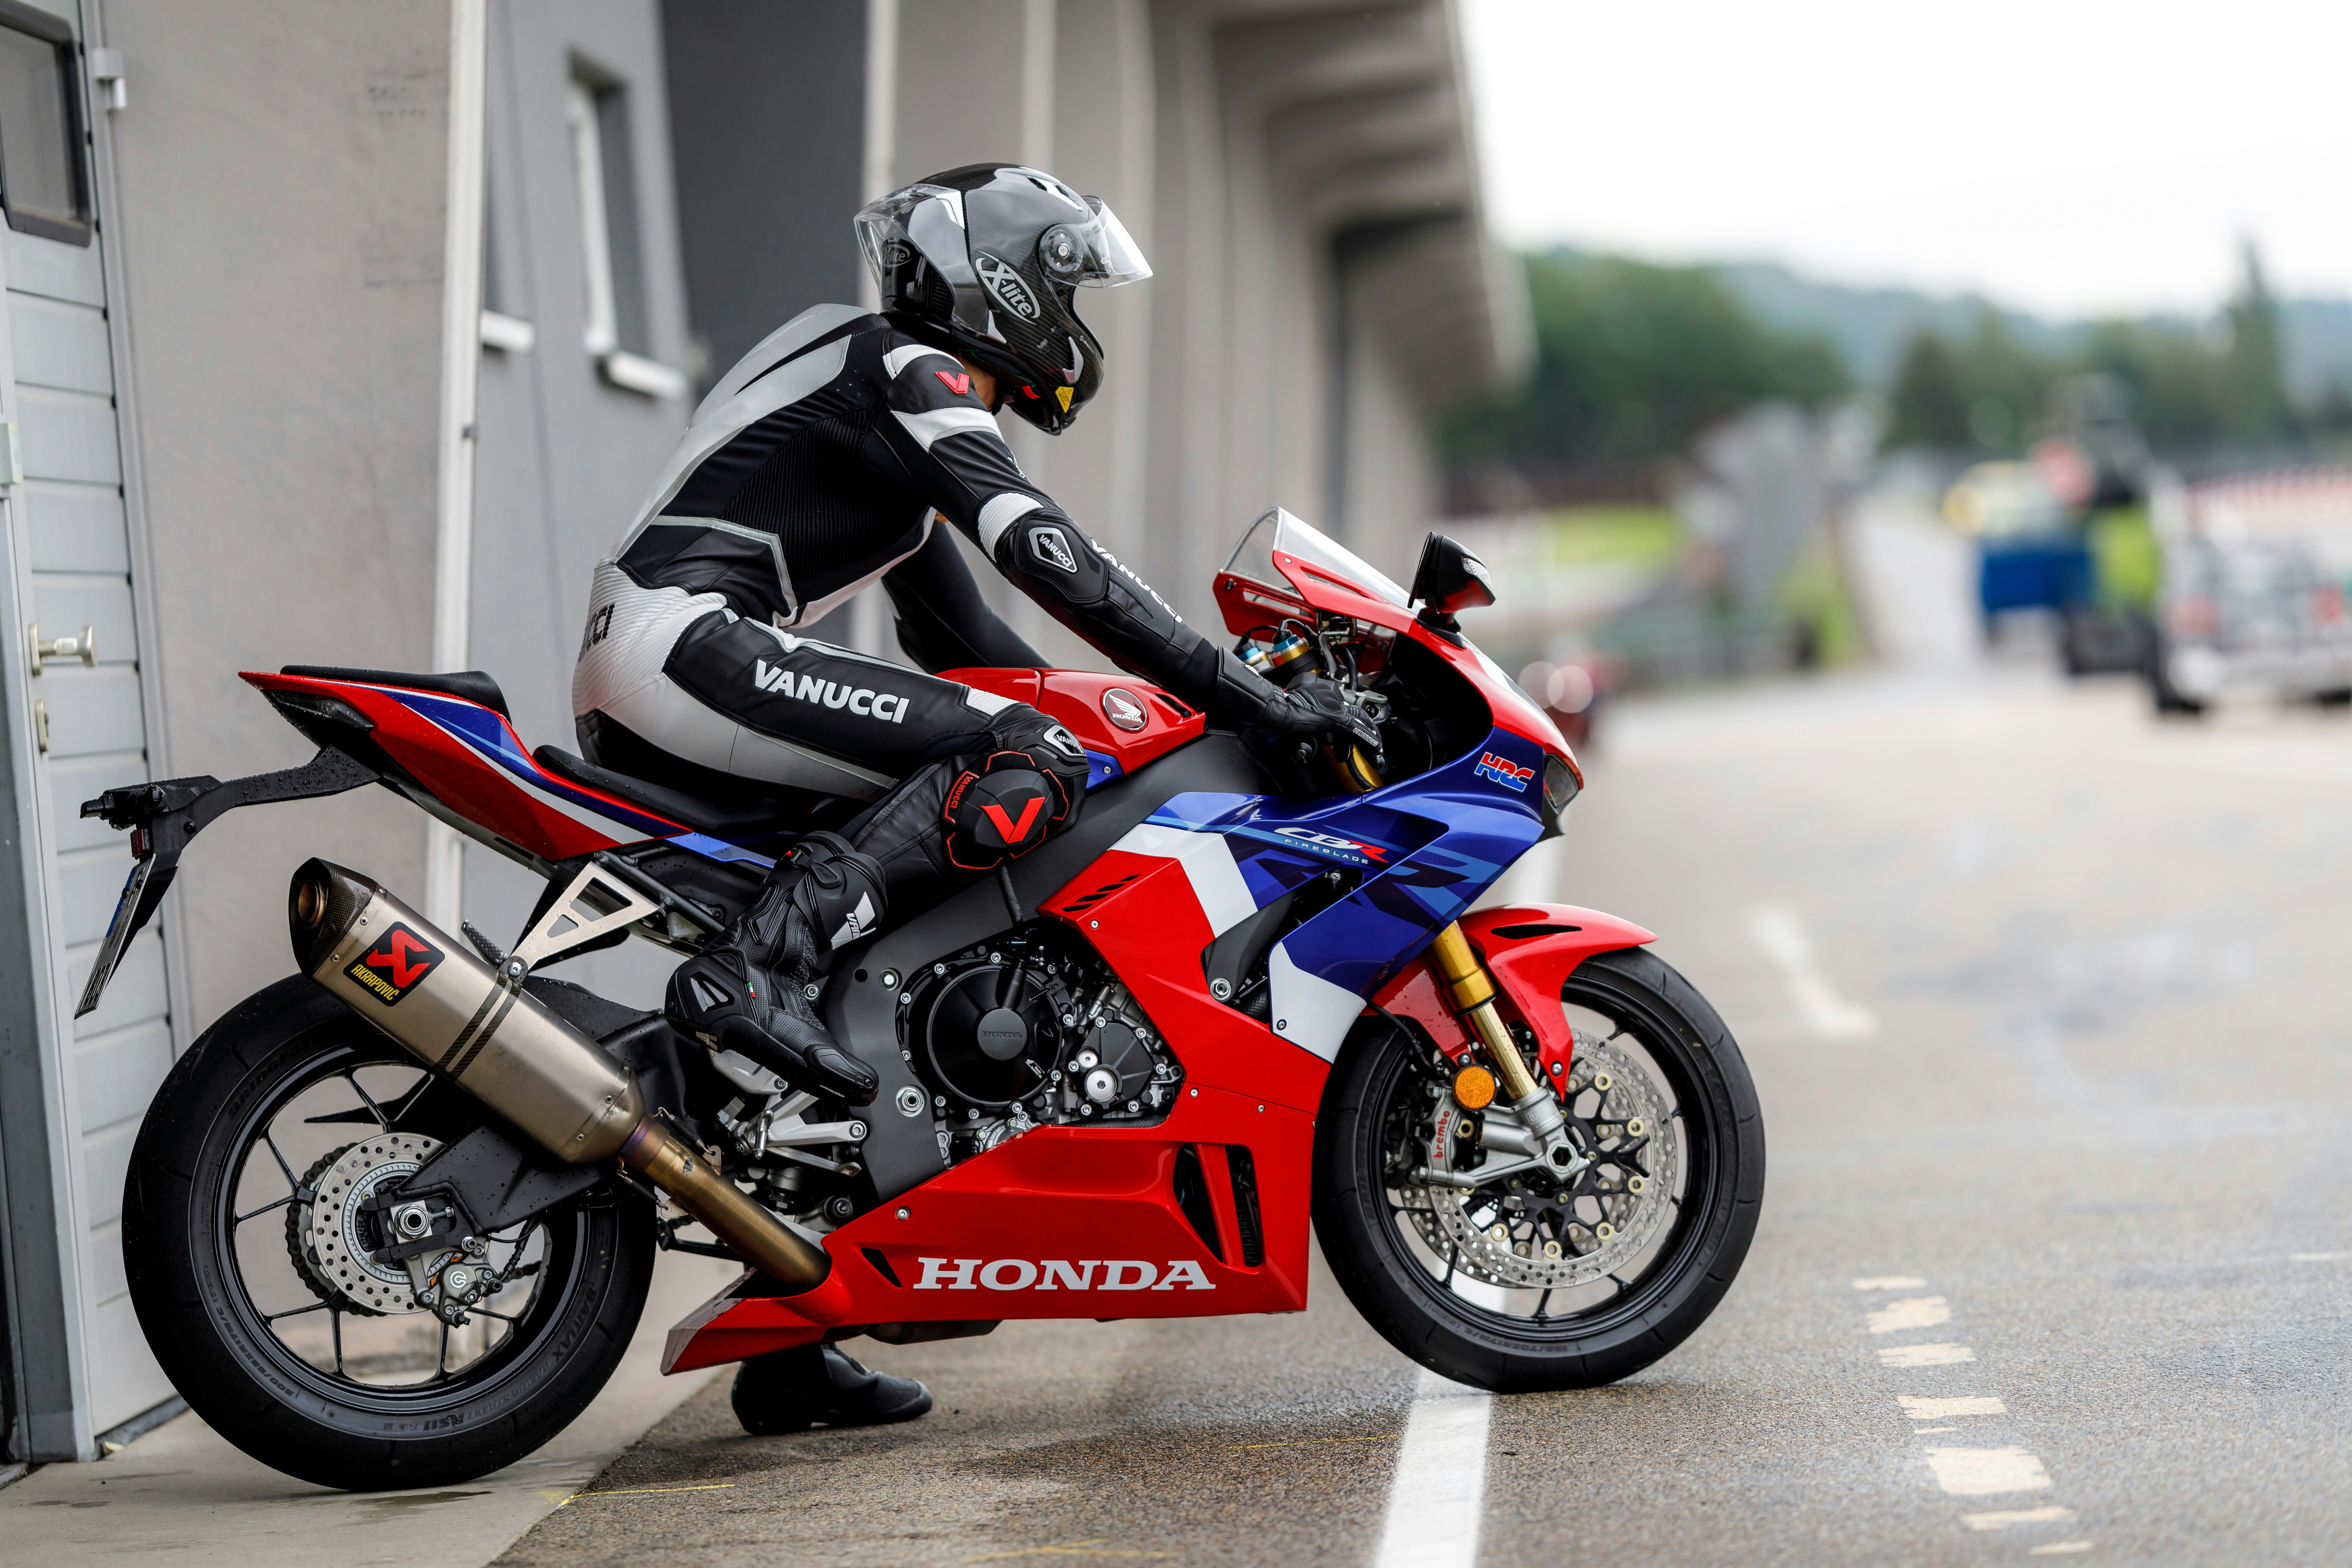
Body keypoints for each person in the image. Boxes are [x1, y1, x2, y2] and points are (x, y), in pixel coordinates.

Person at [571, 162, 1374, 1429]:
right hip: (690, 648)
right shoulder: (910, 369)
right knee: (1028, 756)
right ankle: (752, 973)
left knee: (1008, 772)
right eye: (1067, 286)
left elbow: (965, 638)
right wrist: (1240, 696)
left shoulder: (882, 406)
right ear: (999, 284)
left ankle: (798, 1325)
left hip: (674, 658)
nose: (1079, 319)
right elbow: (1049, 552)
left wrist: (1140, 728)